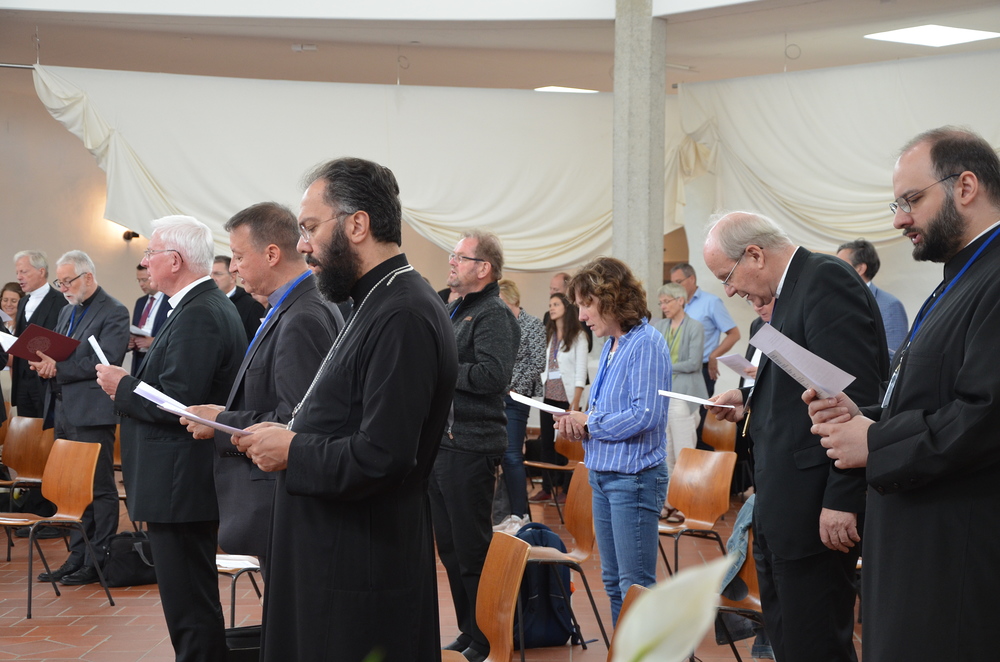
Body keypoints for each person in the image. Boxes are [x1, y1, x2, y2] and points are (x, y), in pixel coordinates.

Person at [231, 157, 458, 662]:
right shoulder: (372, 300)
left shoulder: (402, 312)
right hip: (334, 557)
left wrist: (293, 450)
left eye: (311, 227)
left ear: (357, 225)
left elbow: (384, 455)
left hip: (360, 570)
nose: (303, 244)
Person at [806, 127, 1000, 661]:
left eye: (911, 200)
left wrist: (875, 442)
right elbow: (931, 397)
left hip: (954, 563)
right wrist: (863, 416)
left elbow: (985, 415)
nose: (899, 220)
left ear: (965, 187)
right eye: (898, 204)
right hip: (918, 549)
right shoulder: (961, 276)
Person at [704, 211, 888, 662]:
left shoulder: (825, 280)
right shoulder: (786, 296)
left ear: (755, 255)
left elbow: (855, 402)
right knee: (788, 643)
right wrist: (747, 400)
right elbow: (800, 389)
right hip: (781, 504)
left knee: (816, 645)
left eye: (727, 277)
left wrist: (843, 499)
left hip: (814, 508)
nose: (730, 291)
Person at [96, 216, 246, 662]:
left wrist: (122, 386)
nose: (144, 261)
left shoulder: (199, 312)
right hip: (179, 478)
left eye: (150, 253)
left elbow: (181, 402)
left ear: (175, 260)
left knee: (189, 602)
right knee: (189, 598)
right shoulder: (197, 305)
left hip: (180, 481)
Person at [180, 202, 342, 573]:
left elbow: (296, 423)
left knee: (295, 605)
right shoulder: (296, 304)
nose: (233, 268)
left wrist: (220, 422)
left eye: (238, 257)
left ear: (271, 254)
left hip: (285, 502)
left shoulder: (302, 315)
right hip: (279, 499)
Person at [555, 257, 671, 625]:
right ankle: (626, 649)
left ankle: (645, 650)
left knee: (635, 584)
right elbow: (606, 410)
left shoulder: (645, 343)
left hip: (632, 478)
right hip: (604, 474)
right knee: (613, 582)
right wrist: (578, 422)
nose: (581, 316)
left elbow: (645, 415)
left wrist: (589, 422)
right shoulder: (612, 344)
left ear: (611, 298)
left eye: (586, 305)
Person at [433, 230, 519, 662]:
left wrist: (441, 368)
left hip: (471, 444)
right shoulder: (456, 308)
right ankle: (470, 630)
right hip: (443, 443)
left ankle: (487, 637)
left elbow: (493, 376)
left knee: (471, 549)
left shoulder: (493, 314)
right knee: (450, 549)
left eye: (460, 257)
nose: (451, 262)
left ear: (483, 267)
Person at [30, 250, 130, 585]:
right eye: (59, 283)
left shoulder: (114, 310)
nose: (63, 289)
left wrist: (58, 368)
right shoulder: (67, 310)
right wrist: (44, 363)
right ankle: (76, 557)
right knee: (73, 489)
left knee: (99, 488)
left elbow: (106, 361)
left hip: (91, 412)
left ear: (87, 276)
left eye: (67, 281)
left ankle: (98, 559)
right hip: (62, 408)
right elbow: (59, 355)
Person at [654, 281, 705, 520]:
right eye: (661, 302)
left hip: (684, 395)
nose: (663, 306)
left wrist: (664, 366)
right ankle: (669, 502)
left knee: (685, 453)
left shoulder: (695, 327)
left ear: (680, 301)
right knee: (667, 454)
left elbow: (694, 363)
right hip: (665, 395)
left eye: (667, 301)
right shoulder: (660, 326)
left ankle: (686, 505)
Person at [530, 292, 588, 503]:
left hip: (568, 398)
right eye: (550, 304)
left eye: (556, 304)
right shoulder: (549, 334)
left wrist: (576, 402)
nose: (551, 308)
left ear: (566, 307)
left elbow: (581, 372)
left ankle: (566, 489)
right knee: (547, 442)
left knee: (566, 443)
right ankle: (547, 487)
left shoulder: (578, 336)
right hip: (548, 396)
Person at [497, 278, 545, 521]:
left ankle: (520, 514)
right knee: (501, 456)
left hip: (518, 396)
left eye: (500, 301)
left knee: (513, 455)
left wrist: (513, 387)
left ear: (512, 299)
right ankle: (506, 511)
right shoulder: (498, 324)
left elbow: (538, 363)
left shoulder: (533, 324)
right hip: (496, 395)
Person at [669, 262, 740, 398]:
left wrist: (714, 355)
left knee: (698, 410)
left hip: (701, 370)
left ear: (691, 279)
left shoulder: (711, 302)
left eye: (678, 282)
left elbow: (734, 334)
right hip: (679, 369)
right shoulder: (677, 304)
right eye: (672, 284)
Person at [12, 250, 68, 417]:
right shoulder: (22, 302)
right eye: (17, 272)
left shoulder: (61, 301)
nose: (19, 277)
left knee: (47, 428)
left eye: (23, 271)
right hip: (22, 381)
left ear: (41, 271)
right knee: (25, 428)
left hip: (47, 381)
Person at [836, 238, 909, 359]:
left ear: (860, 268)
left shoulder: (890, 305)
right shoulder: (836, 300)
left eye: (840, 264)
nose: (834, 268)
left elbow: (895, 358)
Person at [212, 255, 265, 342]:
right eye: (210, 274)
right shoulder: (208, 302)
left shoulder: (251, 307)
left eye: (217, 274)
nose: (212, 278)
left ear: (233, 276)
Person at [129, 264, 170, 376]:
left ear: (155, 276)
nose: (141, 284)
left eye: (144, 280)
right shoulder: (140, 302)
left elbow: (175, 336)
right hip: (139, 360)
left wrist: (153, 342)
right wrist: (131, 342)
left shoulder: (170, 301)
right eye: (138, 280)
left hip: (159, 363)